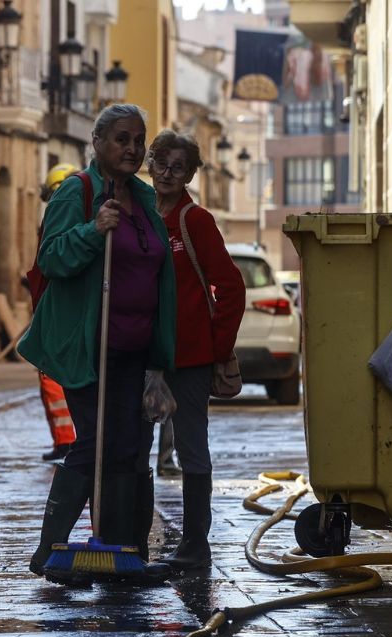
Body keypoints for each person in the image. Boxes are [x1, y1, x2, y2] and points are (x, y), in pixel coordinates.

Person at [19, 104, 176, 577]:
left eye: (138, 140)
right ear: (99, 143)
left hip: (136, 348)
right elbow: (53, 258)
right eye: (121, 139)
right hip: (89, 346)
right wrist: (93, 230)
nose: (131, 148)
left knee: (131, 447)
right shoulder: (78, 191)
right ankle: (49, 549)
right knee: (95, 443)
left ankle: (126, 552)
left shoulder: (146, 200)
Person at [148, 130, 245, 570]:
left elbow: (230, 286)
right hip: (141, 354)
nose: (168, 173)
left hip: (189, 357)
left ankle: (195, 543)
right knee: (132, 448)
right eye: (161, 163)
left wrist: (215, 347)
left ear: (190, 173)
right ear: (150, 164)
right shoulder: (137, 213)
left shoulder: (196, 221)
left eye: (178, 167)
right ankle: (130, 538)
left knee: (191, 449)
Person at [34, 163, 81, 462]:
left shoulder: (61, 220)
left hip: (59, 313)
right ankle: (71, 440)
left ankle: (67, 441)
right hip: (59, 308)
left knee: (51, 378)